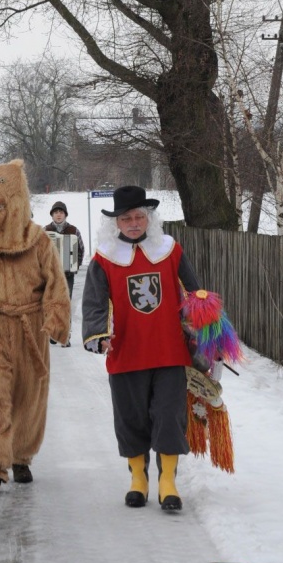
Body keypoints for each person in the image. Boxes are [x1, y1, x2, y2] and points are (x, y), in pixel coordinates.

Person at [82, 185, 200, 511]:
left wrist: (208, 328)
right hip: (126, 353)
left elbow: (193, 293)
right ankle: (138, 479)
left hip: (168, 352)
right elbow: (94, 304)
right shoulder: (104, 260)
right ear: (116, 222)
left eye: (139, 217)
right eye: (126, 218)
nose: (134, 223)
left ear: (149, 218)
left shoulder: (170, 251)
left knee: (169, 416)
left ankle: (168, 483)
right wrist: (97, 334)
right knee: (131, 419)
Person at [0, 160, 71, 497]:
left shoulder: (36, 240)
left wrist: (57, 320)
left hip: (30, 327)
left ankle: (22, 455)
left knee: (29, 395)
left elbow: (56, 282)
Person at [43, 200, 85, 298]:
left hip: (68, 275)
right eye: (56, 212)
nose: (58, 215)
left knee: (66, 301)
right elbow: (38, 252)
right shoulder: (45, 230)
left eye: (61, 212)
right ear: (52, 215)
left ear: (65, 215)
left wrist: (75, 266)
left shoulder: (74, 230)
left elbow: (81, 250)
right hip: (49, 275)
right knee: (50, 301)